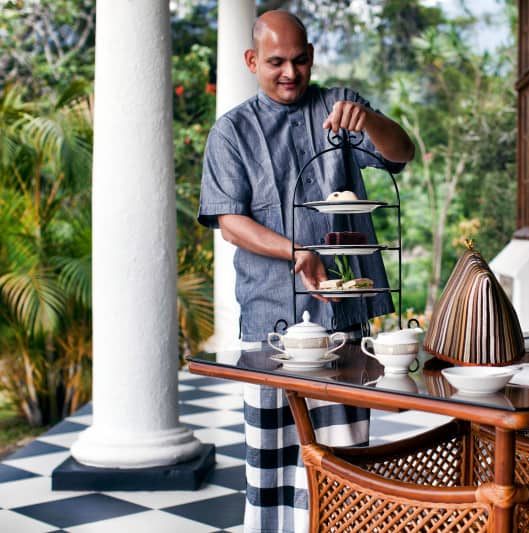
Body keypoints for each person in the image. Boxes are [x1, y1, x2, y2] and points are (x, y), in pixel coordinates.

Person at [197, 10, 414, 533]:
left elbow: (401, 152)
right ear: (252, 61)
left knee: (343, 462)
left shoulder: (341, 107)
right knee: (271, 462)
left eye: (298, 60)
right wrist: (296, 250)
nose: (289, 72)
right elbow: (231, 224)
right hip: (271, 319)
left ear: (311, 56)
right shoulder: (232, 132)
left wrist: (371, 122)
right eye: (275, 62)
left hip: (344, 321)